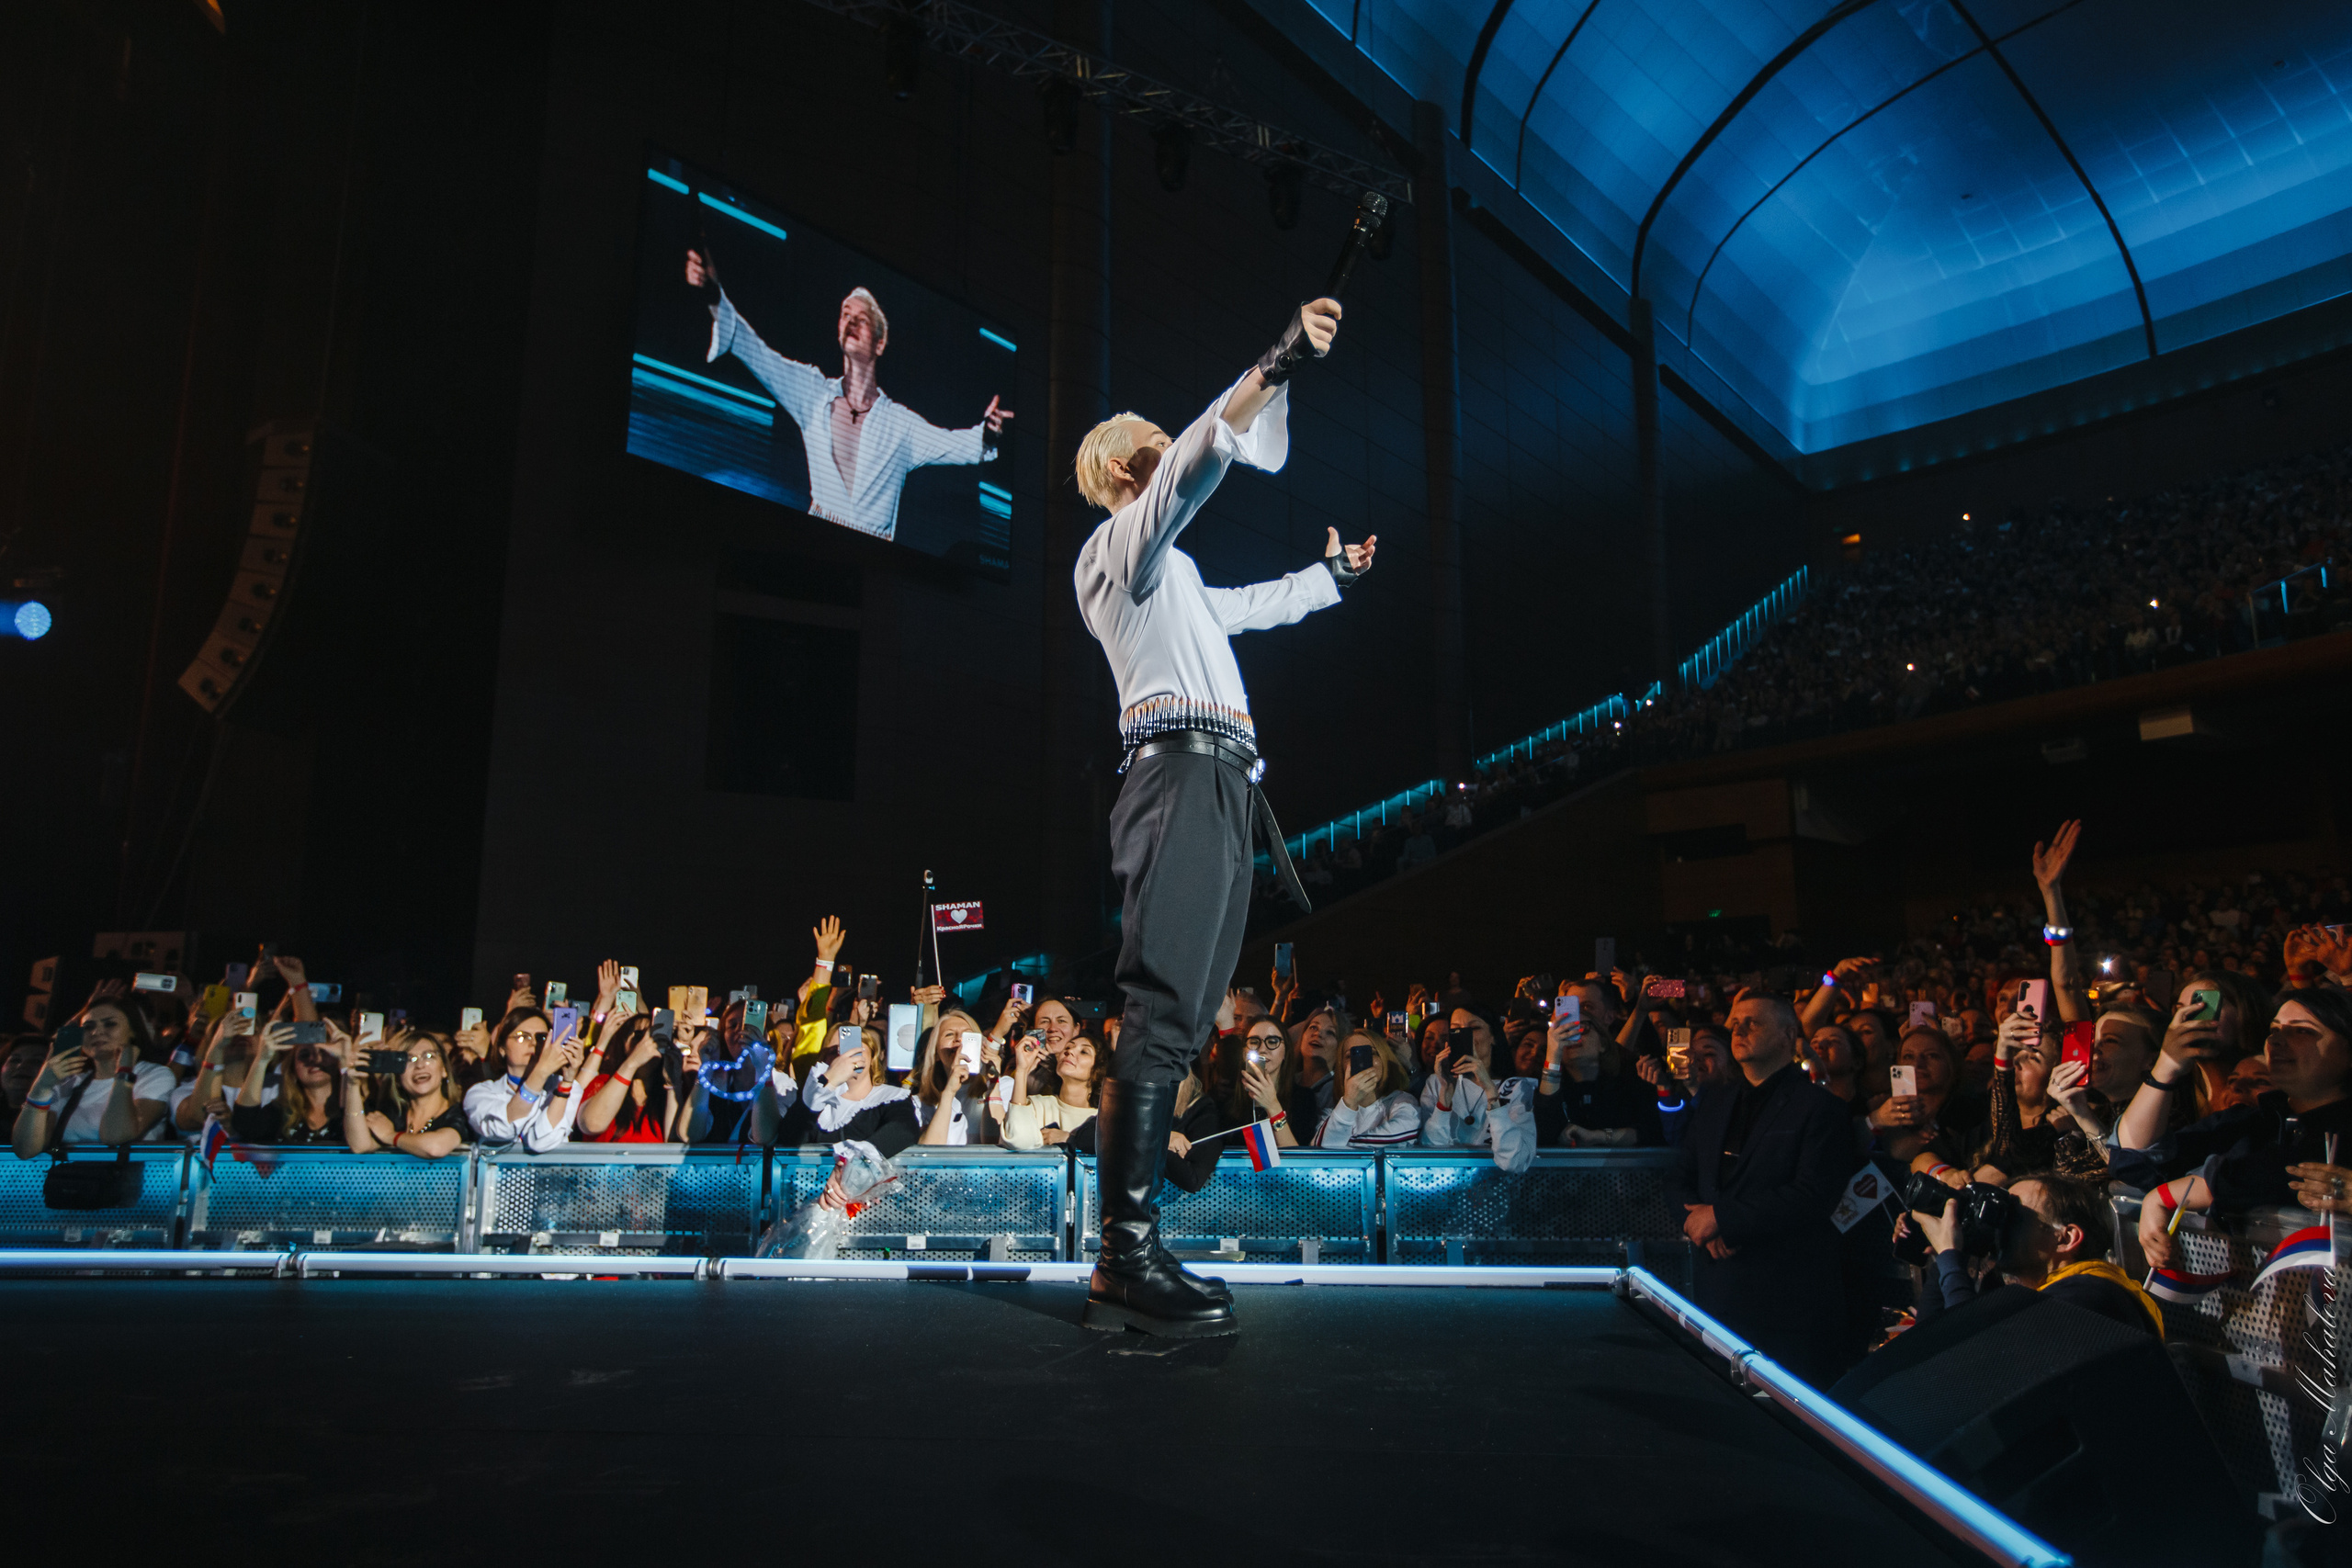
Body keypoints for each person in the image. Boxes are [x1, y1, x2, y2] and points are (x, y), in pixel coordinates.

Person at [1072, 292, 1372, 1337]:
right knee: (1161, 1013)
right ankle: (1124, 1253)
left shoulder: (1181, 578)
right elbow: (1202, 462)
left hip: (1219, 786)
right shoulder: (1117, 549)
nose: (1184, 452)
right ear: (1124, 470)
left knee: (1188, 1017)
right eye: (1159, 446)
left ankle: (1137, 1234)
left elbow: (1260, 604)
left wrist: (1327, 578)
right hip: (1177, 782)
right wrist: (1270, 365)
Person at [686, 253, 1010, 540]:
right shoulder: (811, 392)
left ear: (880, 345)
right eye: (845, 314)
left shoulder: (900, 425)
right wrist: (714, 295)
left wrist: (988, 432)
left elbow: (956, 444)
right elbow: (756, 352)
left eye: (863, 319)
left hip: (876, 568)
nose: (851, 321)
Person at [1667, 994, 1855, 1386]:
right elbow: (1678, 1177)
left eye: (1753, 1022)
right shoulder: (1714, 1103)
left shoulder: (1821, 1108)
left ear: (1788, 1035)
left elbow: (1812, 1196)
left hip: (1787, 1302)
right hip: (1716, 1295)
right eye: (1734, 1022)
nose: (1738, 1029)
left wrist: (1721, 1218)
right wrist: (1694, 1222)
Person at [2120, 987, 2352, 1268]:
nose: (2276, 1039)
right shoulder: (2250, 1121)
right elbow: (2135, 1161)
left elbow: (2276, 1176)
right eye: (2274, 1029)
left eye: (2302, 1031)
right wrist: (2166, 1068)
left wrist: (2183, 1190)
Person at [11, 995, 176, 1156]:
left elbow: (115, 1135)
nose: (96, 1032)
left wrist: (124, 1072)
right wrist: (41, 1087)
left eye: (110, 1024)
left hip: (130, 1180)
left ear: (133, 1031)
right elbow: (25, 1149)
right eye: (88, 1027)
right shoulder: (68, 1083)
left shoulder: (154, 1075)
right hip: (67, 1179)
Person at [464, 1009, 584, 1150]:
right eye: (522, 1036)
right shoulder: (481, 1093)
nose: (533, 1043)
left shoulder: (565, 1087)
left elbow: (542, 1142)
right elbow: (503, 1128)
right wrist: (540, 1073)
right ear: (502, 1048)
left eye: (541, 1038)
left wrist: (566, 1084)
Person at [345, 1032, 469, 1157]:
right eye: (410, 1059)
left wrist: (390, 1136)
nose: (419, 1065)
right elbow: (360, 1145)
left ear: (444, 1070)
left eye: (429, 1056)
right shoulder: (396, 1112)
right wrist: (352, 1085)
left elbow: (435, 1148)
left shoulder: (459, 1113)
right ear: (398, 1077)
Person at [1312, 1032, 1422, 1149]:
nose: (1362, 1061)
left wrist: (1340, 1145)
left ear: (1383, 1059)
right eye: (1352, 1055)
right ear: (1342, 1066)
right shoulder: (1332, 1113)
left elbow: (1397, 1138)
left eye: (1371, 1053)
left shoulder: (1401, 1101)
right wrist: (1349, 1103)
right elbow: (1321, 1152)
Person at [1001, 1034, 1103, 1148]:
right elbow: (1018, 1140)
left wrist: (1070, 1139)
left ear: (1100, 1068)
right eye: (1067, 1048)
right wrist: (1022, 1070)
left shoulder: (1104, 1119)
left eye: (1084, 1052)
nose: (1070, 1052)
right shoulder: (1036, 1105)